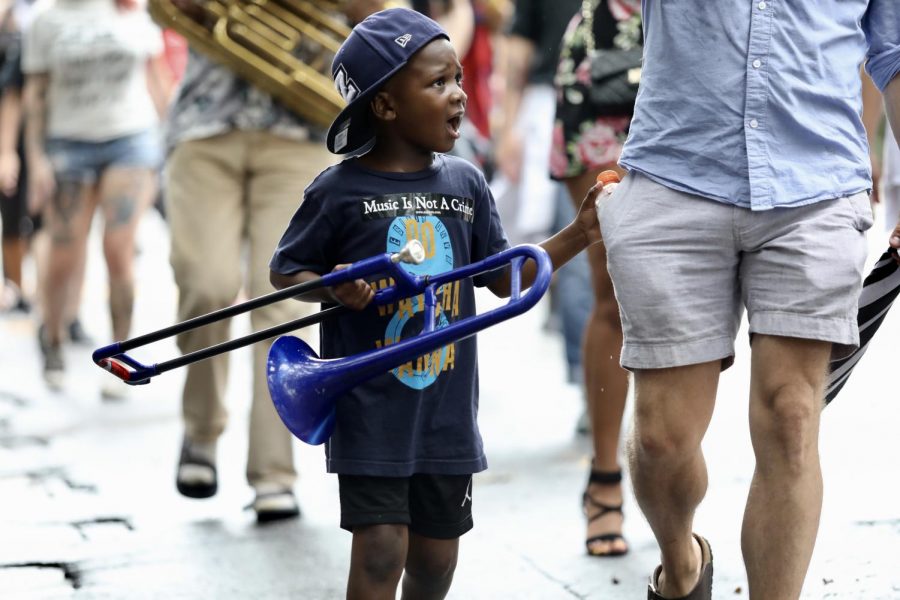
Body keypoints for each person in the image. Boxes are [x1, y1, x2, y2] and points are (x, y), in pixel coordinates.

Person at [268, 9, 604, 599]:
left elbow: (503, 280)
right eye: (437, 83)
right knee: (379, 552)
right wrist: (332, 285)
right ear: (386, 106)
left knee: (435, 560)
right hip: (371, 411)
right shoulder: (338, 190)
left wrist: (577, 233)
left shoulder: (466, 183)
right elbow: (285, 270)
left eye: (457, 80)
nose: (458, 96)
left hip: (447, 412)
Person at [597, 2, 900, 599]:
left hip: (815, 186)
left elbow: (893, 54)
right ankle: (682, 560)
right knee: (663, 438)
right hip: (675, 176)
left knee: (792, 415)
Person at [163, 0, 384, 521]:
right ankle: (200, 429)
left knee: (283, 301)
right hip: (205, 125)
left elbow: (376, 17)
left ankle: (272, 472)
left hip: (301, 130)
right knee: (206, 285)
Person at [22, 0, 171, 393]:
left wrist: (172, 142)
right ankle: (52, 337)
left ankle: (119, 357)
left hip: (131, 140)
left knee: (118, 251)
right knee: (63, 255)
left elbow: (155, 75)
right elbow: (35, 95)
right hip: (68, 144)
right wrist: (36, 161)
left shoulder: (129, 8)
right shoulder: (45, 18)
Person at [549, 0, 640, 557]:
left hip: (713, 71)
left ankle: (667, 465)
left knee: (690, 298)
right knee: (614, 295)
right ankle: (605, 477)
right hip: (607, 63)